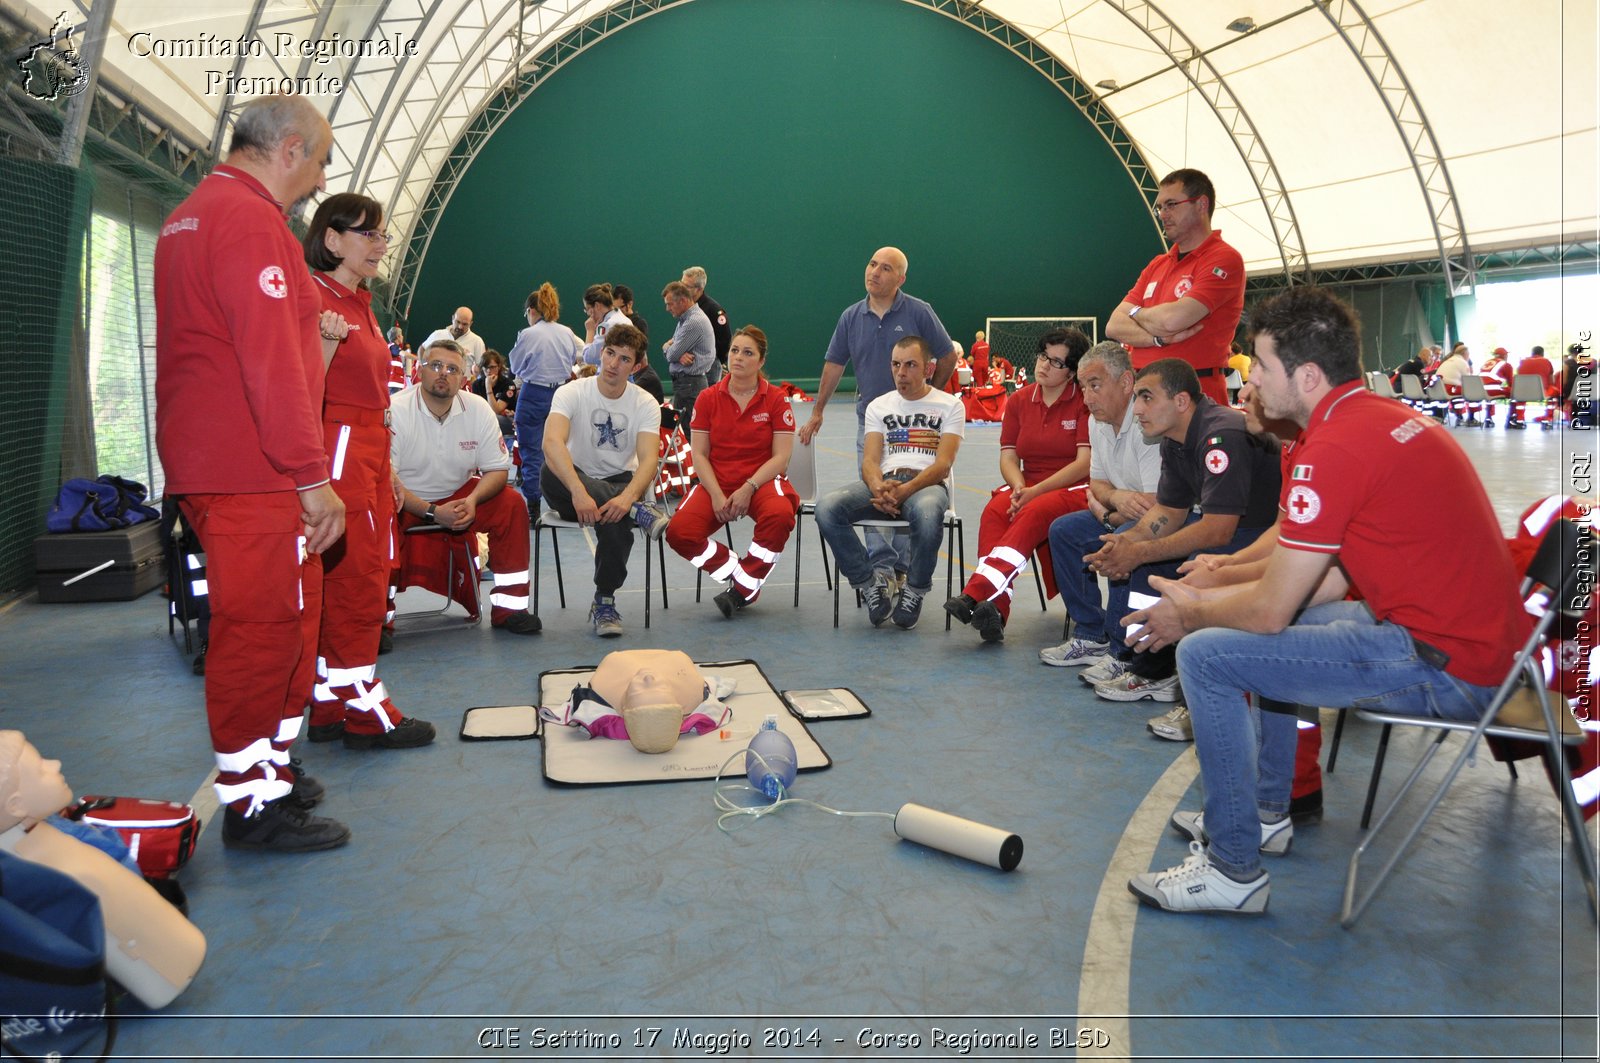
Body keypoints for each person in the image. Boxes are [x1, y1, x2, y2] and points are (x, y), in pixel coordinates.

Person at [1122, 286, 1531, 915]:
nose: (1249, 379)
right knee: (1285, 623)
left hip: (1446, 667)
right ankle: (1264, 812)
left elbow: (1267, 612)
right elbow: (1329, 580)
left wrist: (1188, 612)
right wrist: (1217, 581)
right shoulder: (1375, 420)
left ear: (1306, 376)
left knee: (1206, 656)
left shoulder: (1334, 448)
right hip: (1475, 651)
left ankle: (1233, 871)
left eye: (1259, 364)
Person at [155, 93, 350, 851]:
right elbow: (268, 360)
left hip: (223, 463)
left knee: (281, 622)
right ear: (291, 149)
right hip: (252, 469)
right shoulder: (249, 219)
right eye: (323, 158)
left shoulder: (193, 214)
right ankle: (249, 801)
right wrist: (310, 475)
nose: (322, 175)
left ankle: (268, 770)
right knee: (260, 630)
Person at [304, 192, 435, 754]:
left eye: (383, 235)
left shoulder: (360, 304)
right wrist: (325, 346)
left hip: (370, 450)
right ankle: (364, 712)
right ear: (332, 240)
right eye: (370, 234)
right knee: (355, 582)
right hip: (338, 450)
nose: (382, 244)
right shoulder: (314, 298)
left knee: (359, 577)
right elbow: (298, 388)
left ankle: (332, 703)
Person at [1081, 358, 1281, 703]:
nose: (1138, 408)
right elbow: (1169, 513)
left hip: (1264, 535)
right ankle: (1152, 671)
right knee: (1146, 566)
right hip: (1235, 530)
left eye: (1146, 398)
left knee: (1197, 563)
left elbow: (1218, 531)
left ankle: (1201, 689)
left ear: (1181, 401)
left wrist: (1139, 552)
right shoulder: (1173, 439)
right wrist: (1124, 544)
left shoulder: (1221, 435)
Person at [0, 732, 206, 1007]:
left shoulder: (45, 840)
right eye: (41, 769)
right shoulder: (56, 870)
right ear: (15, 805)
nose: (56, 764)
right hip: (153, 966)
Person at [798, 246, 956, 585]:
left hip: (914, 427)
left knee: (909, 492)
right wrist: (818, 410)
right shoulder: (851, 316)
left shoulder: (920, 312)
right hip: (870, 423)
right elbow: (834, 364)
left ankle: (902, 567)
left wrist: (933, 398)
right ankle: (881, 569)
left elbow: (946, 356)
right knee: (875, 491)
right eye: (872, 264)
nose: (875, 272)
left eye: (885, 268)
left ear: (900, 279)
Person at [945, 326, 1093, 643]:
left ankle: (975, 592)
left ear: (1072, 372)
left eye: (1056, 361)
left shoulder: (1083, 402)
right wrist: (1018, 488)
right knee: (995, 511)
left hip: (1076, 488)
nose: (1044, 365)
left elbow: (1084, 464)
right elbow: (1009, 457)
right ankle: (996, 611)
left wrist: (1032, 493)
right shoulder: (1019, 401)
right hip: (1027, 486)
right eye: (1043, 356)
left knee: (1035, 510)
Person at [390, 338, 541, 636]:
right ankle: (377, 619)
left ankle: (510, 608)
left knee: (511, 504)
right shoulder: (396, 410)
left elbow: (497, 470)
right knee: (376, 512)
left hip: (460, 493)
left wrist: (472, 501)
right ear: (420, 370)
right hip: (405, 498)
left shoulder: (477, 409)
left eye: (452, 368)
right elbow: (387, 482)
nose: (443, 373)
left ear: (465, 377)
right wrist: (433, 512)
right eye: (435, 366)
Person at [815, 336, 964, 630]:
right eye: (896, 365)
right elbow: (870, 460)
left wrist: (906, 490)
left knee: (927, 513)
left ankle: (915, 590)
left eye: (910, 365)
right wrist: (878, 487)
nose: (901, 372)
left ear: (928, 369)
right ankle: (869, 584)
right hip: (886, 483)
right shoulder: (879, 406)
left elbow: (943, 464)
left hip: (925, 486)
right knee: (827, 509)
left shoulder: (949, 406)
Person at [1039, 341, 1162, 670]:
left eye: (1095, 385)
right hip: (1122, 513)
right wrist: (1115, 503)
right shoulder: (1097, 422)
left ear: (1125, 383)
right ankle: (1092, 635)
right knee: (1064, 531)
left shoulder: (1146, 423)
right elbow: (1098, 484)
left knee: (1120, 537)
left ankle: (1123, 652)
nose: (1087, 397)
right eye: (1083, 387)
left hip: (1163, 521)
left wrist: (1108, 509)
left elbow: (1155, 504)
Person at [541, 322, 669, 637]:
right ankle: (638, 509)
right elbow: (551, 444)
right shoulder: (571, 392)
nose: (612, 363)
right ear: (601, 351)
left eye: (624, 359)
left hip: (621, 484)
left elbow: (649, 459)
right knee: (549, 471)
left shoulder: (645, 403)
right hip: (571, 486)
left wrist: (626, 498)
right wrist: (579, 491)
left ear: (637, 366)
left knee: (615, 515)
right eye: (610, 353)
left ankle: (604, 601)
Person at [665, 326, 800, 617]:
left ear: (761, 361)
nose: (738, 357)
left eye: (747, 352)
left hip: (763, 482)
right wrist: (715, 494)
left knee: (779, 515)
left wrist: (749, 487)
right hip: (718, 481)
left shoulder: (776, 399)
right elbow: (699, 455)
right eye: (734, 350)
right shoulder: (707, 398)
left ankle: (742, 589)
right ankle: (741, 574)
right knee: (679, 533)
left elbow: (782, 458)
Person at [1105, 168, 1245, 406]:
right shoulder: (1158, 264)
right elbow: (1114, 326)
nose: (1162, 214)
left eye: (1171, 204)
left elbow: (1173, 321)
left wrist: (1137, 313)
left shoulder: (1223, 259)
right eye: (1160, 207)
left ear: (1201, 204)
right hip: (1144, 392)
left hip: (1194, 393)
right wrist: (1159, 339)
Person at [541, 651, 731, 754]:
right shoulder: (690, 688)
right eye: (661, 688)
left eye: (641, 690)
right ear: (680, 705)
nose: (649, 678)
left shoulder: (605, 686)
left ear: (623, 710)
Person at [507, 283, 582, 517]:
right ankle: (565, 499)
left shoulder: (528, 334)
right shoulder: (567, 332)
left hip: (532, 394)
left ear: (531, 311)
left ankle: (533, 505)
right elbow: (574, 360)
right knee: (562, 449)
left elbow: (516, 366)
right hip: (560, 395)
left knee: (531, 451)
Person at [661, 280, 716, 428]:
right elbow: (669, 347)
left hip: (690, 386)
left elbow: (671, 354)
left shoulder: (693, 322)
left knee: (687, 432)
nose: (667, 309)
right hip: (687, 385)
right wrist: (674, 352)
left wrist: (673, 352)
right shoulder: (684, 320)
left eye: (670, 304)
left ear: (683, 301)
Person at [681, 266, 731, 382]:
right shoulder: (686, 307)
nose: (681, 289)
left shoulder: (714, 310)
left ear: (699, 289)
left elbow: (725, 340)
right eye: (681, 284)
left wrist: (709, 358)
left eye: (687, 286)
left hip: (708, 369)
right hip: (687, 368)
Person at [419, 306, 485, 374]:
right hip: (435, 380)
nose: (460, 327)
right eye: (458, 322)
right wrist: (424, 366)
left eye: (465, 324)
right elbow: (423, 348)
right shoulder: (438, 334)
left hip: (462, 383)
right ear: (453, 318)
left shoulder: (477, 341)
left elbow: (482, 367)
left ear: (471, 323)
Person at [580, 283, 630, 367]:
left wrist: (590, 330)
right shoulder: (624, 319)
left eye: (588, 309)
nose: (588, 314)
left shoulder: (607, 325)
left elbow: (589, 358)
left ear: (597, 306)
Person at [471, 347, 517, 435]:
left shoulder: (508, 385)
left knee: (493, 418)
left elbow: (495, 411)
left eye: (492, 367)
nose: (488, 371)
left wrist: (488, 387)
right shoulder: (477, 384)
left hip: (506, 420)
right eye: (485, 367)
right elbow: (477, 409)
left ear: (499, 367)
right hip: (483, 419)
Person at [385, 325, 410, 393]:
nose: (402, 336)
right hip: (393, 383)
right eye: (401, 335)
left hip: (397, 383)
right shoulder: (393, 347)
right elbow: (404, 354)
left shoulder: (395, 348)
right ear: (398, 336)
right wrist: (418, 357)